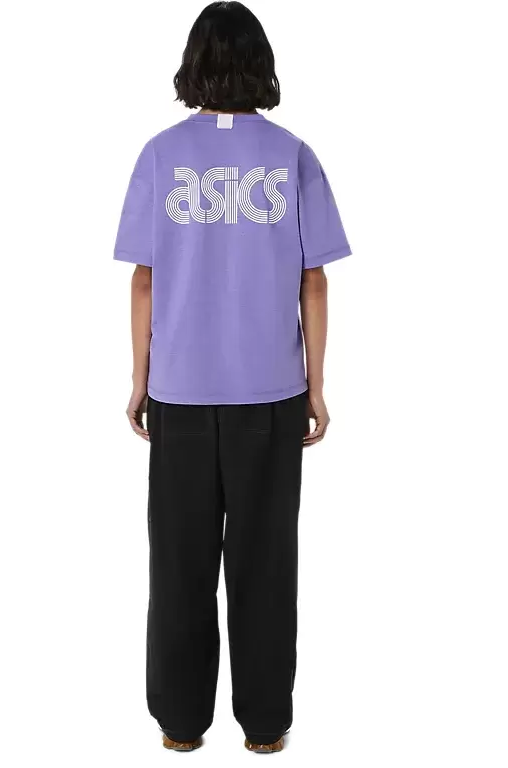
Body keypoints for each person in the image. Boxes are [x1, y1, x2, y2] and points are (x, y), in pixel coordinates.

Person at [113, 1, 350, 754]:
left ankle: (181, 726)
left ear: (193, 65)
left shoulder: (160, 155)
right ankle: (266, 726)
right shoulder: (293, 155)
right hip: (271, 394)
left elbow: (145, 279)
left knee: (179, 565)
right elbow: (314, 280)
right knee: (265, 564)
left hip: (180, 392)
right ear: (261, 66)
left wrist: (139, 377)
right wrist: (316, 385)